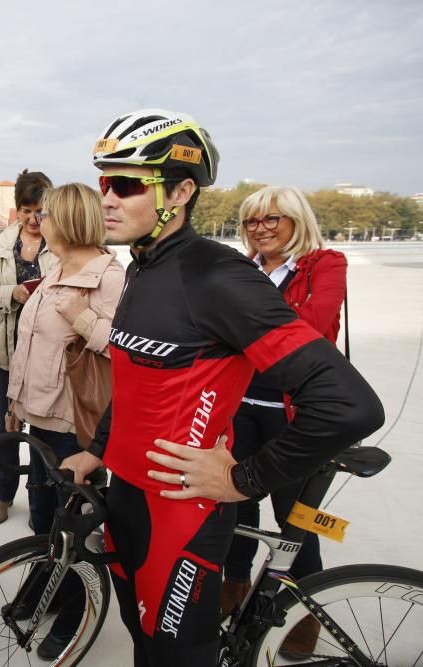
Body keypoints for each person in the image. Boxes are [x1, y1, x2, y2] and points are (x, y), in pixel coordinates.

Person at [60, 109, 383, 667]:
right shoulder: (141, 265)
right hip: (128, 494)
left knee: (178, 658)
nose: (106, 197)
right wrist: (98, 448)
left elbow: (349, 404)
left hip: (182, 515)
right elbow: (137, 377)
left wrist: (245, 478)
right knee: (143, 644)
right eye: (103, 181)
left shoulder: (219, 276)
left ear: (182, 190)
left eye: (127, 183)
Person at [221, 185, 348, 655]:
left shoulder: (326, 263)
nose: (262, 229)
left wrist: (244, 326)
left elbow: (311, 326)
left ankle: (303, 615)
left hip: (297, 413)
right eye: (252, 221)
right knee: (235, 507)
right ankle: (234, 589)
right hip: (240, 407)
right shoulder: (241, 267)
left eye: (272, 219)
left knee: (295, 521)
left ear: (297, 219)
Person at [4, 182, 123, 660]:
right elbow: (28, 343)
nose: (38, 221)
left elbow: (125, 351)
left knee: (74, 526)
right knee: (43, 519)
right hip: (40, 417)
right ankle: (47, 589)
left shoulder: (109, 277)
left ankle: (73, 610)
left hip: (76, 423)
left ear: (69, 220)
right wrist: (14, 403)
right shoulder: (55, 268)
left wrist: (84, 319)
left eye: (47, 215)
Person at [0, 169, 58, 525]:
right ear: (18, 210)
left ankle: (40, 499)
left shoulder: (61, 241)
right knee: (7, 426)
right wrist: (11, 293)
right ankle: (4, 493)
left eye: (40, 210)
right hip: (9, 350)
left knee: (44, 427)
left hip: (49, 353)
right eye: (27, 211)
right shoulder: (0, 246)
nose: (34, 218)